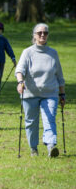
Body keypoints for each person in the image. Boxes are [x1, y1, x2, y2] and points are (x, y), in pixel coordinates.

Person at [15, 23, 65, 158]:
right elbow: (19, 70)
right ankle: (33, 148)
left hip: (50, 93)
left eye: (45, 33)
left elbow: (59, 76)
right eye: (39, 33)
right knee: (31, 122)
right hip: (30, 93)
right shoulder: (28, 52)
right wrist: (20, 82)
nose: (42, 35)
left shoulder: (53, 53)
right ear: (34, 35)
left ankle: (50, 146)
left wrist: (62, 94)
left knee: (49, 119)